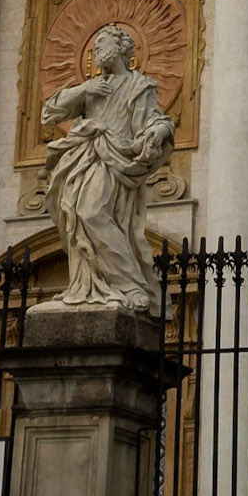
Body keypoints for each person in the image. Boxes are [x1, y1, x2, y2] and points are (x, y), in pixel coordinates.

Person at [43, 24, 175, 312]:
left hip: (116, 160)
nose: (96, 50)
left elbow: (157, 119)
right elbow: (49, 112)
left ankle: (129, 284)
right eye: (94, 47)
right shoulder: (91, 88)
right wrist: (84, 88)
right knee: (75, 217)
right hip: (84, 158)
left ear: (121, 49)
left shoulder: (139, 86)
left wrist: (159, 131)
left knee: (91, 212)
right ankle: (86, 285)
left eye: (102, 44)